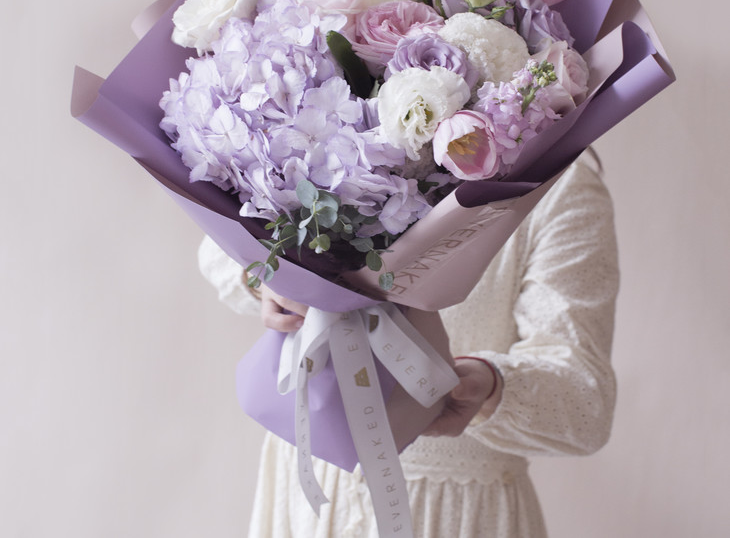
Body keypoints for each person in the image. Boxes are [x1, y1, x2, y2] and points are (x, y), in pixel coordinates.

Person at [198, 153, 619, 538]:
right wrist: (267, 277)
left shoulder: (556, 184)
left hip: (453, 515)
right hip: (306, 493)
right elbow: (216, 250)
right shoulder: (342, 133)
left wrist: (489, 385)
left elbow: (586, 405)